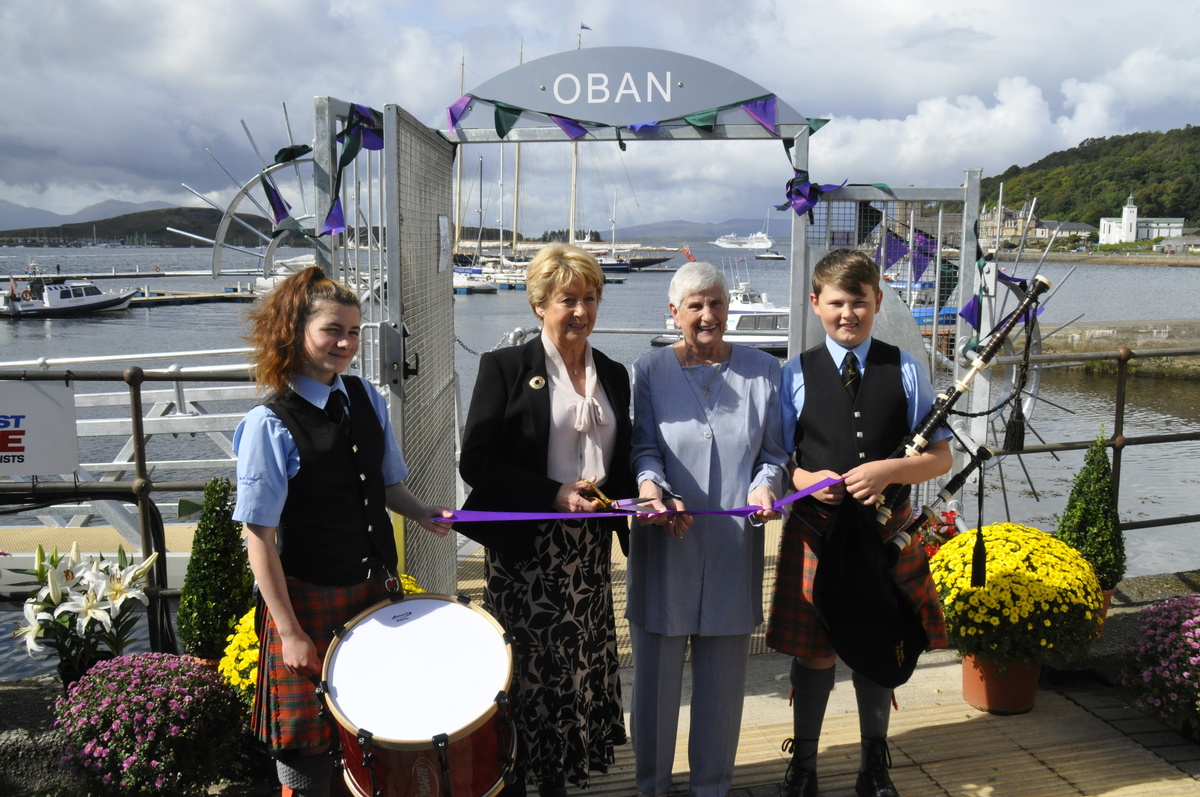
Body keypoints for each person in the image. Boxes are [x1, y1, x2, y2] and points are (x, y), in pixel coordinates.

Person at [231, 265, 453, 797]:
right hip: (309, 601)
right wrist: (289, 632)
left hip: (373, 591)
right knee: (309, 751)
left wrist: (422, 511)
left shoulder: (365, 397)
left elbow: (385, 486)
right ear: (296, 332)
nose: (345, 343)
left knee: (375, 727)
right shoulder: (270, 424)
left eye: (354, 332)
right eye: (332, 330)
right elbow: (258, 535)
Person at [766, 248, 951, 797]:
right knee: (816, 650)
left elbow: (941, 459)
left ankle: (875, 767)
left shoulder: (906, 369)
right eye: (837, 303)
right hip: (818, 532)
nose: (849, 314)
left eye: (860, 304)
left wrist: (890, 469)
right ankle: (803, 768)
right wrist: (803, 480)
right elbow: (779, 458)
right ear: (816, 303)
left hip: (883, 534)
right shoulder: (792, 373)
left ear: (877, 303)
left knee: (878, 641)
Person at [458, 243, 634, 797]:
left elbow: (623, 459)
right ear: (539, 304)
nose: (580, 312)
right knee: (527, 676)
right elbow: (476, 461)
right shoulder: (506, 368)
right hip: (527, 548)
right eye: (567, 300)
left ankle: (557, 782)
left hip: (587, 548)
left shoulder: (613, 371)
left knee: (577, 672)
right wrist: (552, 492)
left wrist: (642, 503)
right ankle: (510, 781)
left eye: (590, 298)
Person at [628, 260, 787, 797]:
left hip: (732, 546)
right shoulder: (648, 370)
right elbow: (644, 447)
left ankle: (712, 786)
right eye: (695, 305)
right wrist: (651, 488)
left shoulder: (767, 370)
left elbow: (774, 454)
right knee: (654, 686)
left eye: (716, 302)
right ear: (673, 313)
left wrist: (766, 484)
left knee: (722, 686)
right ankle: (651, 784)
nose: (708, 314)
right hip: (665, 542)